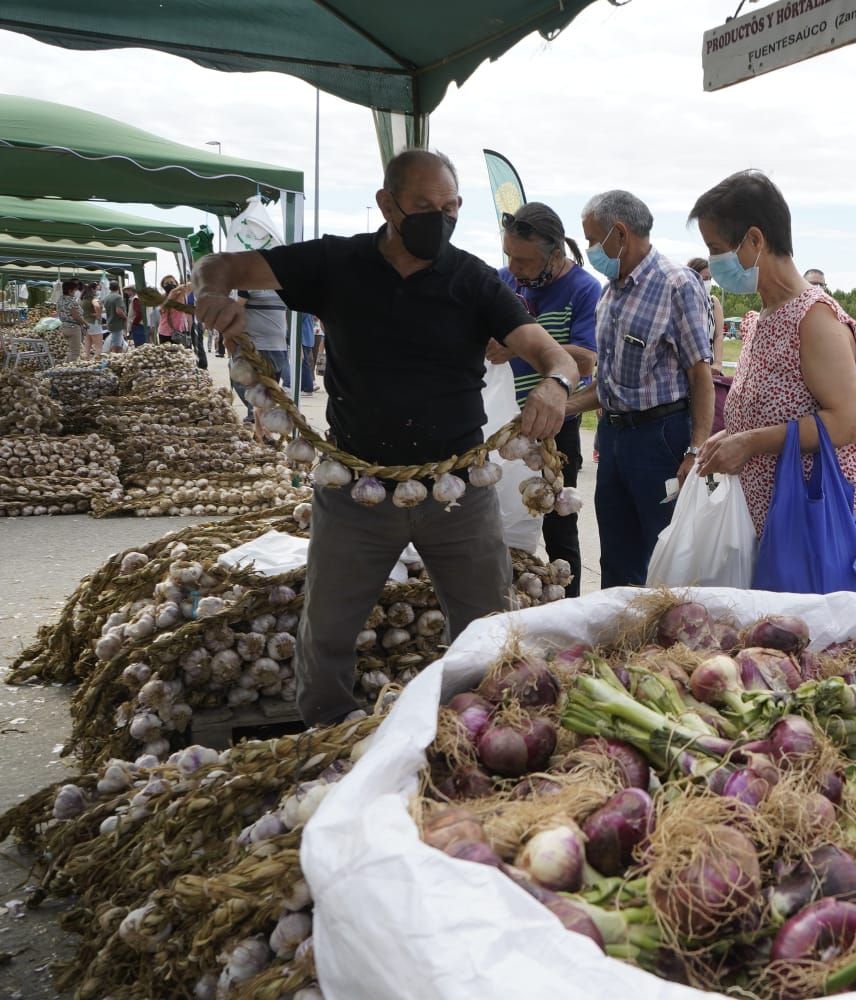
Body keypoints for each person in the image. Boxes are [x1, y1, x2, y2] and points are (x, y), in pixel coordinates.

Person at [193, 149, 576, 727]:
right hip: (354, 488)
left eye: (450, 207)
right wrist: (210, 295)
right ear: (386, 204)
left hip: (458, 492)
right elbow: (220, 265)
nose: (439, 219)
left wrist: (555, 382)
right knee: (326, 630)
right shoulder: (336, 262)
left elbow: (547, 350)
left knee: (488, 628)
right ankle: (327, 734)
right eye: (423, 206)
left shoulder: (472, 279)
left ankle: (485, 733)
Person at [690, 170, 856, 550]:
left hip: (819, 523)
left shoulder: (814, 319)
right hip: (777, 523)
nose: (713, 263)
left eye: (716, 248)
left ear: (754, 240)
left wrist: (750, 442)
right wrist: (732, 435)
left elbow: (846, 424)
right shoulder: (764, 317)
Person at [568, 189, 714, 588]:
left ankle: (672, 642)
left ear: (619, 233)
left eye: (592, 240)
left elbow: (701, 375)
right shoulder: (610, 291)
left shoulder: (676, 284)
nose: (591, 250)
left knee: (666, 555)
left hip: (660, 439)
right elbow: (609, 384)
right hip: (614, 437)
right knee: (617, 556)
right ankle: (620, 643)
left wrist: (695, 451)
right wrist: (561, 408)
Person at [496, 201, 601, 599]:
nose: (515, 268)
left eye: (523, 260)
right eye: (509, 256)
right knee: (496, 514)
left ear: (555, 254)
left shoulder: (584, 289)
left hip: (556, 427)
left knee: (559, 522)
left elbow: (588, 358)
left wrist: (521, 346)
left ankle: (566, 606)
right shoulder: (504, 281)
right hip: (504, 425)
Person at [230, 287, 293, 432]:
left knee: (267, 394)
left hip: (278, 347)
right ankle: (262, 431)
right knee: (257, 391)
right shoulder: (247, 284)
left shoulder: (282, 285)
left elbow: (284, 316)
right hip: (255, 348)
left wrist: (293, 343)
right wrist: (230, 337)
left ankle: (259, 431)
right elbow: (235, 310)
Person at [687, 257, 727, 371]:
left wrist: (718, 363)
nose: (708, 282)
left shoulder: (713, 302)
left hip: (709, 367)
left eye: (710, 279)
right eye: (705, 278)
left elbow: (719, 336)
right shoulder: (682, 300)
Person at [158, 276, 192, 347]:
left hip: (180, 332)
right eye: (166, 283)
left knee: (182, 355)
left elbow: (191, 285)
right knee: (167, 355)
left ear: (176, 283)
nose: (169, 284)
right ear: (163, 286)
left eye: (171, 282)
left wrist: (181, 287)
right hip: (165, 332)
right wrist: (175, 290)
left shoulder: (181, 295)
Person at [57, 280, 85, 361]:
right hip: (73, 328)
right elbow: (76, 316)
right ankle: (69, 371)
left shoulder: (60, 300)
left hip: (64, 327)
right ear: (70, 291)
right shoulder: (71, 301)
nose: (76, 292)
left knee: (70, 352)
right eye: (75, 290)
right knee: (75, 353)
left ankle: (64, 368)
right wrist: (85, 324)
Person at [100, 281, 128, 355]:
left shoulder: (107, 297)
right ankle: (112, 361)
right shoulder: (118, 297)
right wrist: (125, 317)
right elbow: (118, 311)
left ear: (110, 288)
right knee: (116, 346)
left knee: (115, 344)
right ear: (118, 288)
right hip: (117, 324)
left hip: (110, 323)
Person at [80, 282, 103, 360]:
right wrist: (98, 314)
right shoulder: (93, 298)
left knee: (87, 343)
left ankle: (87, 359)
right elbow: (97, 306)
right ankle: (97, 361)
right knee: (98, 346)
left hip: (85, 323)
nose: (97, 291)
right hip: (94, 323)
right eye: (96, 289)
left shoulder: (83, 299)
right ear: (93, 289)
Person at [299, 313, 319, 394]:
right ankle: (305, 386)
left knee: (304, 364)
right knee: (305, 363)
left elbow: (298, 322)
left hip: (303, 338)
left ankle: (307, 388)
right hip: (308, 338)